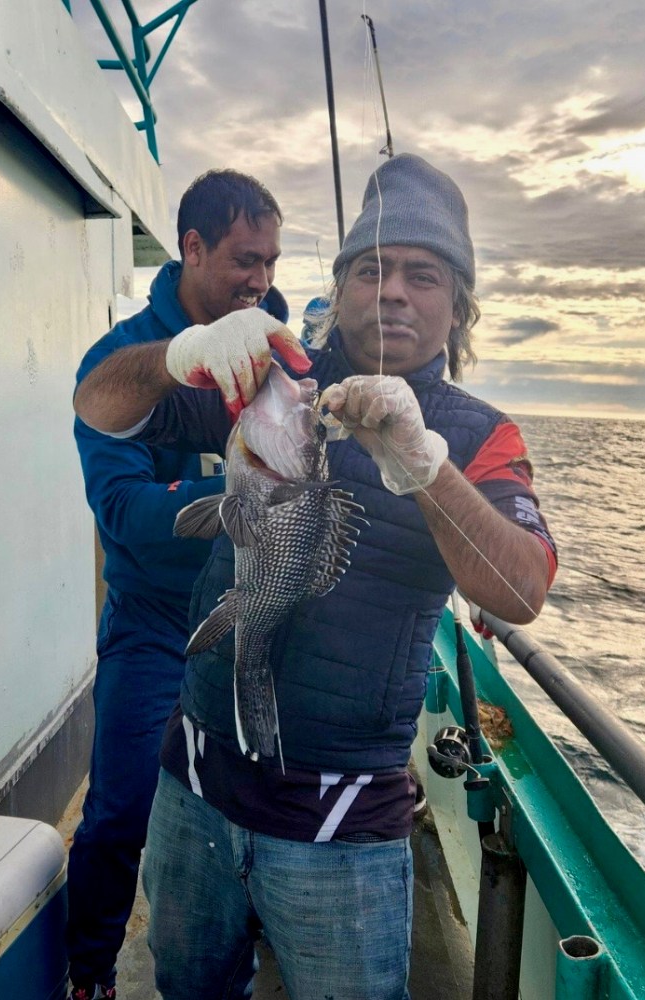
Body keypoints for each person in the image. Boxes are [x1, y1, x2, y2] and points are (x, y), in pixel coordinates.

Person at [73, 152, 557, 1000]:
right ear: (341, 286)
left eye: (424, 275)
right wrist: (179, 351)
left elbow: (519, 589)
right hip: (193, 784)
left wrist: (424, 463)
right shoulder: (274, 378)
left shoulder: (480, 434)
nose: (394, 291)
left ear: (458, 304)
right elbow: (97, 405)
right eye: (371, 269)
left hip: (340, 829)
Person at [67, 169, 287, 1000]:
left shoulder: (278, 351)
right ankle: (89, 976)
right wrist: (247, 498)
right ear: (190, 249)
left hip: (258, 621)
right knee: (121, 812)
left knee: (259, 808)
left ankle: (253, 949)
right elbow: (122, 511)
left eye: (269, 260)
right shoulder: (118, 365)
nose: (259, 279)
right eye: (242, 259)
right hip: (155, 623)